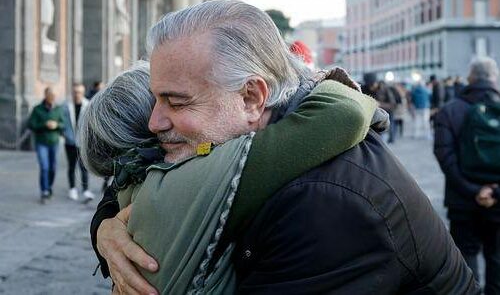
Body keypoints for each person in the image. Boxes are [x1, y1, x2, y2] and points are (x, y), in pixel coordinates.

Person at [93, 0, 478, 294]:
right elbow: (142, 172)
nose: (154, 122)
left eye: (176, 102)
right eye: (156, 99)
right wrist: (107, 228)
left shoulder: (323, 202)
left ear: (250, 98)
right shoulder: (233, 146)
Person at [80, 61, 378, 293]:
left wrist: (103, 227)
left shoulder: (141, 186)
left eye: (175, 101)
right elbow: (344, 112)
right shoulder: (212, 173)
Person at [434, 57, 500, 294]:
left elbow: (445, 156)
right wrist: (493, 191)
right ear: (494, 78)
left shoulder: (450, 110)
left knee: (466, 258)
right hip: (498, 201)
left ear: (470, 78)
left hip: (462, 201)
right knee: (496, 257)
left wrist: (473, 191)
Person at [27, 87, 65, 203]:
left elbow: (64, 124)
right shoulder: (37, 109)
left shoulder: (58, 109)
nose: (53, 97)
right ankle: (44, 190)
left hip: (54, 142)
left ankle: (49, 187)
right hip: (41, 142)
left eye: (54, 95)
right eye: (51, 95)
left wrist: (57, 125)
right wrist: (44, 124)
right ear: (46, 95)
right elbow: (31, 124)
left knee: (52, 168)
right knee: (44, 167)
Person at [62, 83, 94, 202]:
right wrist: (64, 133)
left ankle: (86, 190)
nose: (77, 94)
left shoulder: (88, 105)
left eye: (79, 92)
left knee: (84, 167)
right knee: (71, 166)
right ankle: (72, 189)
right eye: (75, 92)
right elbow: (62, 121)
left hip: (82, 141)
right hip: (70, 141)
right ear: (72, 92)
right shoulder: (66, 105)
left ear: (83, 92)